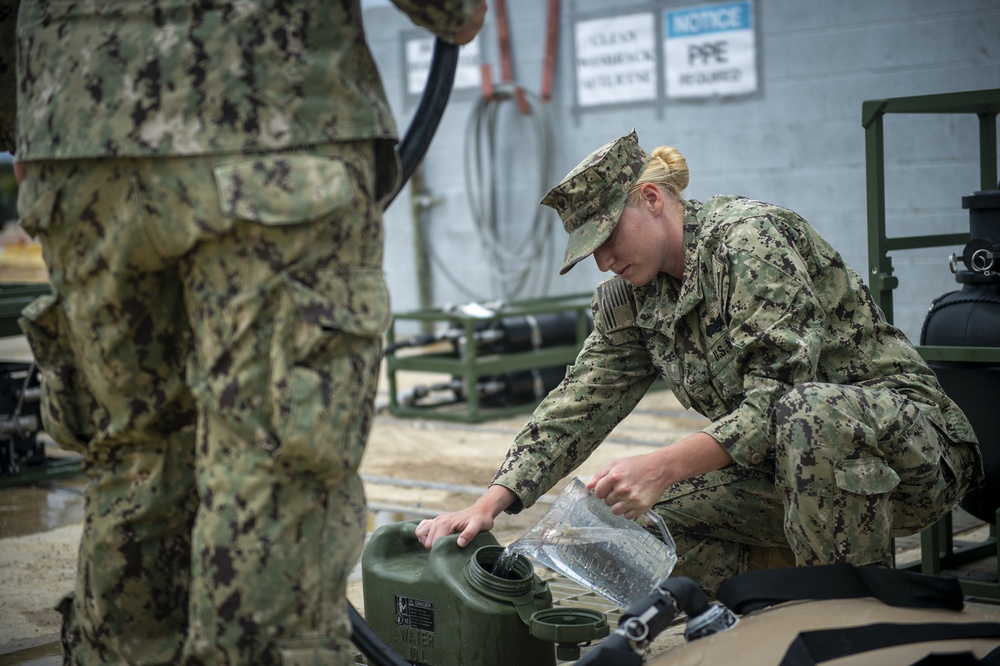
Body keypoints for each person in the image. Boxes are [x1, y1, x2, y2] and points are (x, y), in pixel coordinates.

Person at [1, 1, 486, 664]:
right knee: (273, 459)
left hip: (80, 153)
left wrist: (31, 127)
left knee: (130, 456)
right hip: (269, 134)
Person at [415, 129, 984, 598]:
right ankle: (779, 604)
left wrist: (664, 464)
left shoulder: (746, 241)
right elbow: (580, 401)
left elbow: (782, 397)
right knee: (609, 526)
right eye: (591, 252)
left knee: (809, 413)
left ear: (652, 200)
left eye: (609, 237)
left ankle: (851, 621)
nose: (605, 261)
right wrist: (491, 502)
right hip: (785, 475)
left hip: (902, 454)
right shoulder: (630, 296)